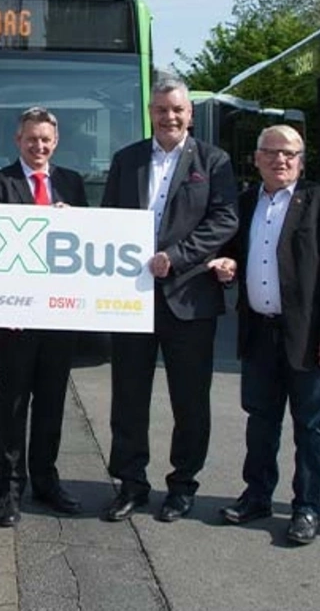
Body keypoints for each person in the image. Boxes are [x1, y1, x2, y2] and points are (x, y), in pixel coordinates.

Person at [100, 78, 238, 523]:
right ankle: (131, 483)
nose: (169, 117)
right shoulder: (127, 160)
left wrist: (175, 258)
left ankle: (182, 486)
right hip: (131, 299)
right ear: (150, 112)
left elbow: (225, 219)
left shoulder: (214, 161)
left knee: (190, 401)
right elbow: (106, 221)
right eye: (161, 110)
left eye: (177, 109)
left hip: (190, 298)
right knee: (128, 397)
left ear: (189, 113)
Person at [207, 125, 320, 545]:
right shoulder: (247, 201)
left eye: (289, 153)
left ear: (301, 160)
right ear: (256, 159)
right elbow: (234, 252)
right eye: (270, 152)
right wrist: (227, 266)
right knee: (261, 421)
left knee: (311, 427)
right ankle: (257, 495)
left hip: (308, 337)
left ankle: (307, 507)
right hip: (258, 332)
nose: (280, 160)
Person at [0, 107, 89, 527]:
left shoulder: (72, 183)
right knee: (12, 403)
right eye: (31, 139)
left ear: (55, 142)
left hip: (60, 313)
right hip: (15, 315)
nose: (38, 146)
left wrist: (71, 222)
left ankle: (46, 479)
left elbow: (84, 244)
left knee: (51, 402)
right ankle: (8, 489)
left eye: (45, 139)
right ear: (17, 140)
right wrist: (42, 221)